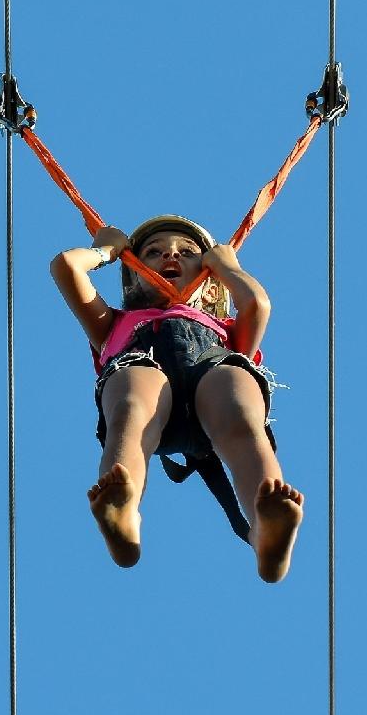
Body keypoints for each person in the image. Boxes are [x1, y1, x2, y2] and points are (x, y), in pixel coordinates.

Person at [49, 215, 304, 582]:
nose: (170, 255)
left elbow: (257, 305)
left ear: (212, 288)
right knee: (133, 403)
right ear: (135, 275)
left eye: (188, 253)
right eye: (153, 253)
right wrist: (106, 250)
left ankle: (264, 527)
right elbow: (66, 267)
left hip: (212, 388)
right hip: (149, 386)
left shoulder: (228, 329)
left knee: (239, 408)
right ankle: (124, 509)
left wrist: (226, 267)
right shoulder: (111, 322)